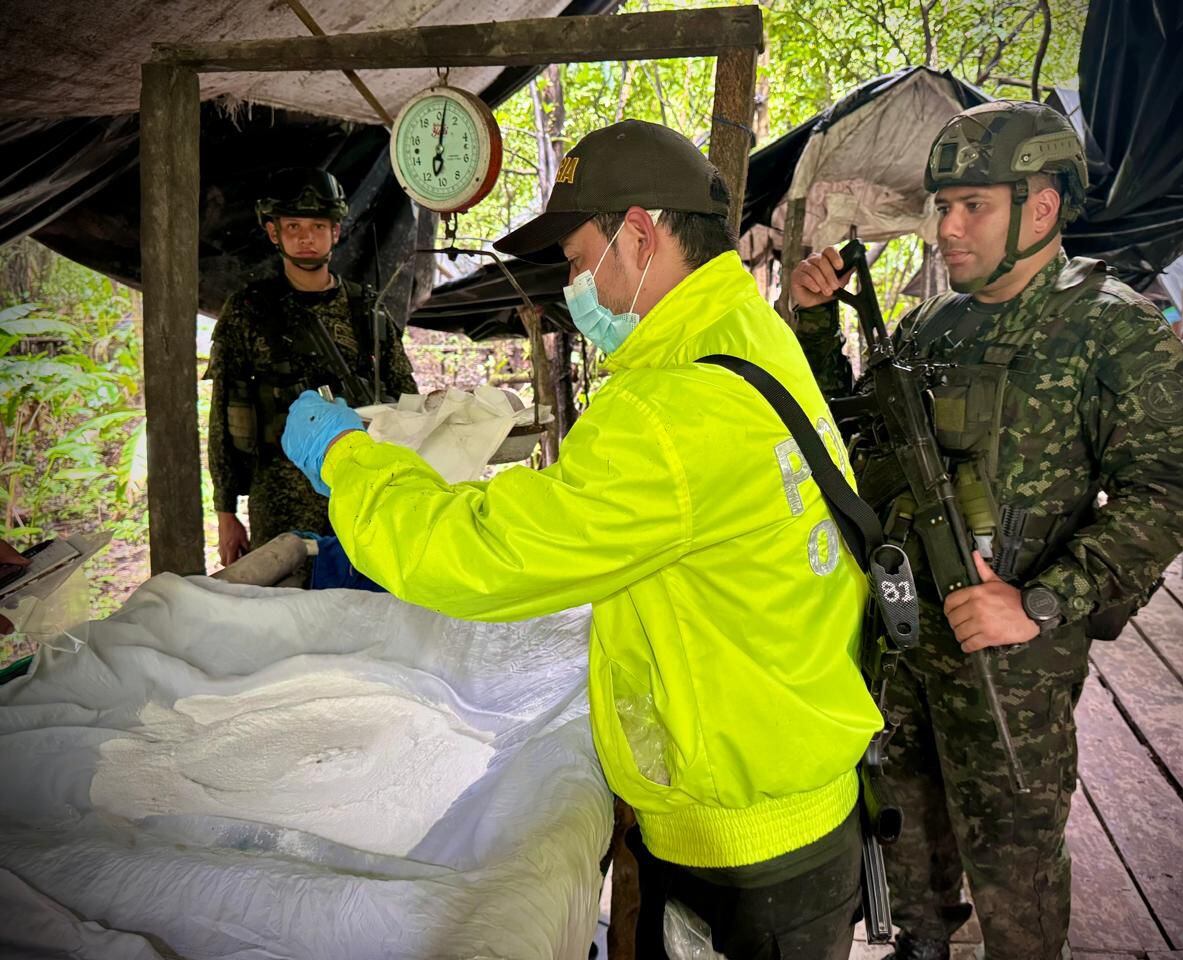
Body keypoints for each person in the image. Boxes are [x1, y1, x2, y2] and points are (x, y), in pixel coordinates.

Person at [281, 120, 881, 959]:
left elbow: (474, 554)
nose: (572, 286)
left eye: (575, 259)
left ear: (638, 233)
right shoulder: (755, 339)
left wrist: (349, 459)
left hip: (743, 852)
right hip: (797, 791)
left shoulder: (669, 410)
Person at [790, 100, 1183, 960]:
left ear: (1040, 208)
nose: (946, 227)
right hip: (904, 646)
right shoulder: (933, 326)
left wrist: (1043, 600)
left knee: (1014, 865)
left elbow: (1162, 494)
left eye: (970, 205)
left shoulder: (1112, 328)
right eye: (942, 207)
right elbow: (852, 436)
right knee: (906, 844)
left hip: (1011, 664)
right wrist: (819, 323)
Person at [206, 167, 418, 567]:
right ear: (274, 234)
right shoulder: (248, 313)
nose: (306, 237)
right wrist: (225, 513)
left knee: (371, 604)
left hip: (363, 490)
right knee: (289, 614)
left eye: (318, 226)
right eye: (293, 226)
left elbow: (409, 401)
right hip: (280, 502)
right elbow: (224, 418)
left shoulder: (369, 310)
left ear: (336, 232)